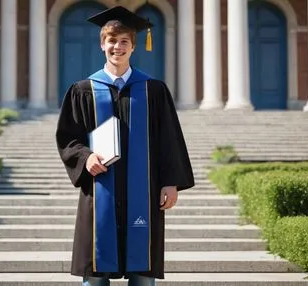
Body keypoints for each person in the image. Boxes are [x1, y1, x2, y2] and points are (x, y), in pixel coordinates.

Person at [55, 5, 195, 286]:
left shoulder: (153, 90)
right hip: (99, 193)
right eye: (111, 41)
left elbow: (169, 139)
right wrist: (85, 157)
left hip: (144, 193)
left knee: (143, 277)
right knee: (94, 277)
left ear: (133, 47)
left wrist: (170, 182)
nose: (117, 47)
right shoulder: (83, 90)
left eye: (124, 42)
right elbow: (68, 137)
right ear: (101, 44)